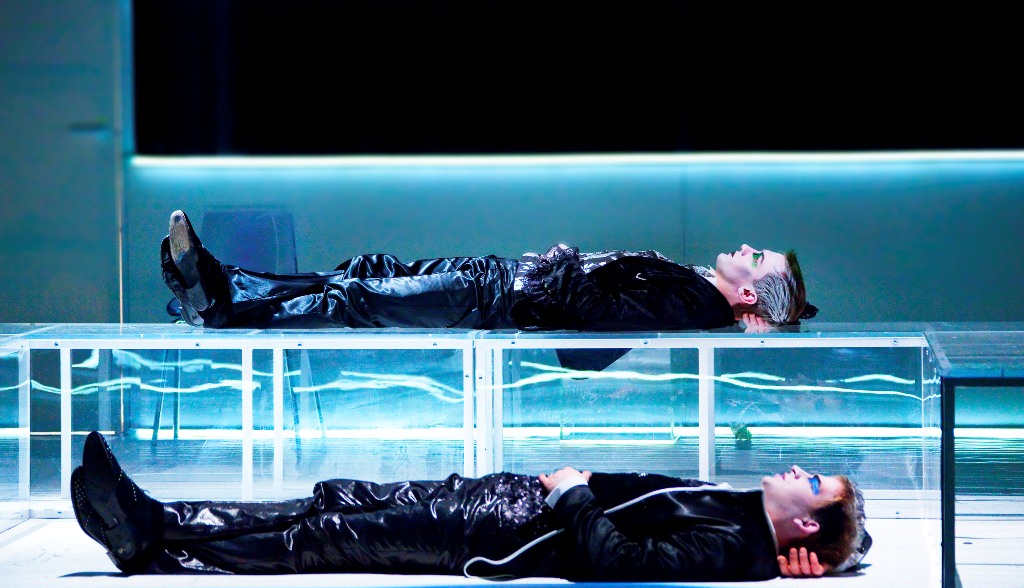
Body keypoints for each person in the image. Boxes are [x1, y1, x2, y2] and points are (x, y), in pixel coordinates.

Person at [71, 432, 871, 582]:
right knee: (328, 501)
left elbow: (620, 560)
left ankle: (153, 539)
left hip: (500, 528)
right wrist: (843, 554)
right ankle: (154, 522)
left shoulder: (735, 546)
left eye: (813, 482)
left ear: (804, 522)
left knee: (322, 536)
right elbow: (851, 543)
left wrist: (573, 491)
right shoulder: (741, 517)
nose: (799, 469)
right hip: (499, 499)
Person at [160, 209, 817, 336]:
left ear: (749, 291)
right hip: (497, 282)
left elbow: (597, 312)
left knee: (358, 297)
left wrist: (561, 257)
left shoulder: (692, 303)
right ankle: (218, 285)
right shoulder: (695, 290)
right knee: (367, 273)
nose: (747, 246)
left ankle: (218, 300)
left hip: (497, 297)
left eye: (757, 257)